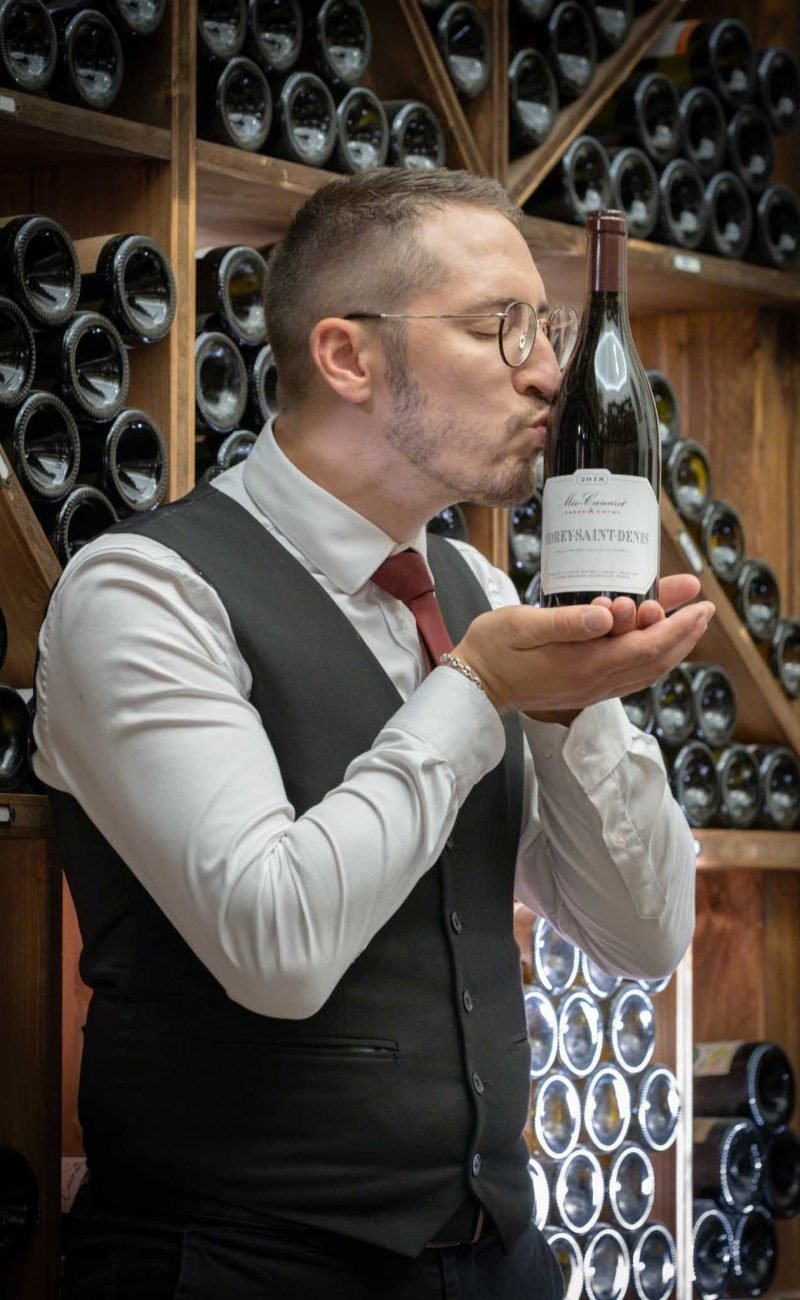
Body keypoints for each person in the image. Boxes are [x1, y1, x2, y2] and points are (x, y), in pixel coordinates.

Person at [33, 169, 712, 1299]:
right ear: (348, 357)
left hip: (499, 1257)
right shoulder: (142, 594)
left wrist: (571, 705)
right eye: (499, 329)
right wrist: (476, 683)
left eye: (543, 330)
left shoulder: (481, 587)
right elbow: (277, 947)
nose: (548, 373)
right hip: (232, 1265)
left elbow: (643, 941)